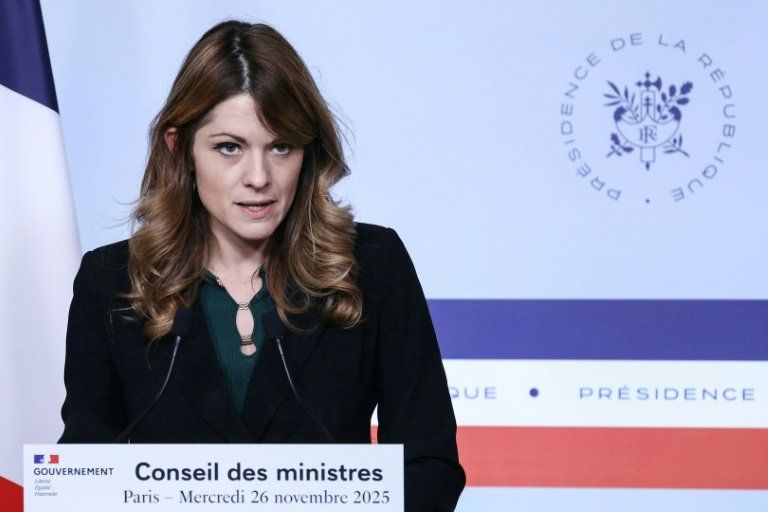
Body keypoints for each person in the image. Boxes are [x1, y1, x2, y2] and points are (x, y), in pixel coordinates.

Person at [58, 20, 465, 510]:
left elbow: (429, 464)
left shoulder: (373, 264)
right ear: (179, 147)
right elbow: (83, 473)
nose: (258, 177)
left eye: (281, 147)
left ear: (308, 152)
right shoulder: (111, 280)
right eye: (229, 147)